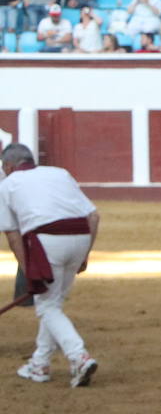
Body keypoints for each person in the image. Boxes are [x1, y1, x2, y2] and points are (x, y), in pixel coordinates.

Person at [0, 142, 99, 387]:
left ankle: (79, 357)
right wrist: (84, 254)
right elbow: (94, 216)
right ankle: (39, 364)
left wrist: (27, 270)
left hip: (47, 242)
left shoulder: (7, 184)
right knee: (53, 303)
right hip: (80, 236)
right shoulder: (59, 173)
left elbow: (12, 235)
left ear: (9, 166)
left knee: (47, 307)